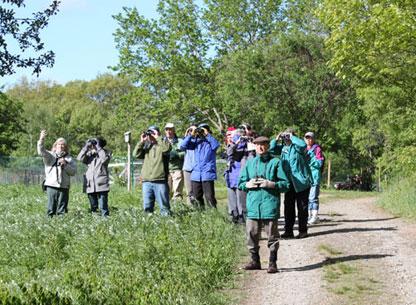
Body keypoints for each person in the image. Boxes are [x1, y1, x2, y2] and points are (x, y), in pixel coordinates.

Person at [238, 136, 290, 273]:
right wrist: (247, 184)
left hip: (270, 205)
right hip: (253, 205)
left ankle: (272, 262)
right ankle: (255, 260)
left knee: (272, 235)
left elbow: (285, 185)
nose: (260, 147)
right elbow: (240, 183)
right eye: (258, 145)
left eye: (263, 145)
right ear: (254, 147)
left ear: (268, 146)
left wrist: (272, 184)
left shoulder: (276, 162)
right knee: (251, 234)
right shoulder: (250, 163)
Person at [269, 129, 312, 239]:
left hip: (301, 182)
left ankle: (303, 230)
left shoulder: (297, 147)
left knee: (302, 207)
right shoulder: (283, 148)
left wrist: (292, 137)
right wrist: (276, 139)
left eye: (287, 134)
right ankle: (288, 231)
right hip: (289, 182)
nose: (286, 137)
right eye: (285, 134)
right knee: (288, 208)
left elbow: (303, 144)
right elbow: (271, 149)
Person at [133, 126, 172, 216]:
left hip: (160, 180)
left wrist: (158, 137)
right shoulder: (147, 147)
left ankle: (168, 224)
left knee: (164, 207)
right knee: (147, 206)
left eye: (153, 133)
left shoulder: (163, 145)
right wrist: (141, 142)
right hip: (147, 181)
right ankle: (149, 223)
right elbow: (135, 155)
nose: (151, 135)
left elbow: (166, 149)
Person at [37, 130, 77, 218]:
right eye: (59, 144)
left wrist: (65, 165)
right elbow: (41, 152)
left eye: (63, 145)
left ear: (65, 147)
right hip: (51, 185)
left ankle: (61, 227)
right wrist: (41, 139)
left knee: (62, 210)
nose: (61, 146)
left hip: (64, 186)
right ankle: (49, 226)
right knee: (51, 209)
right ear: (55, 146)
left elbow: (73, 172)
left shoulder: (69, 159)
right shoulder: (50, 156)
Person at [180, 123, 220, 208]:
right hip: (196, 174)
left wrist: (207, 135)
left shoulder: (211, 143)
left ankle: (212, 215)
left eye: (204, 130)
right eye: (201, 130)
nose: (202, 132)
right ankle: (200, 215)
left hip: (207, 173)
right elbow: (182, 146)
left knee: (209, 197)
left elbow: (216, 145)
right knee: (196, 197)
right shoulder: (195, 143)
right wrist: (191, 135)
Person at [77, 136, 112, 217]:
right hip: (90, 184)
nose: (94, 145)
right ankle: (95, 219)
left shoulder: (106, 152)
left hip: (101, 183)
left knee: (103, 205)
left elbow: (104, 159)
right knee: (93, 205)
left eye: (95, 143)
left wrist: (99, 148)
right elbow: (79, 158)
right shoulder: (90, 154)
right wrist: (86, 147)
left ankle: (105, 219)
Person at [224, 128, 244, 223]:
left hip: (238, 177)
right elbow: (229, 152)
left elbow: (232, 152)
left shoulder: (244, 146)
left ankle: (241, 218)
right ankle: (234, 216)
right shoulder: (231, 146)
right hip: (230, 178)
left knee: (240, 200)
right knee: (232, 200)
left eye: (232, 136)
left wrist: (237, 141)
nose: (230, 138)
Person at [304, 132, 324, 224]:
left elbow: (319, 163)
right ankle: (308, 216)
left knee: (313, 198)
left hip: (314, 176)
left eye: (311, 138)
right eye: (307, 138)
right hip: (306, 177)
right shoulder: (303, 149)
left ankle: (315, 216)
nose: (309, 140)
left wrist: (311, 160)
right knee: (307, 197)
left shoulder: (317, 149)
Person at [164, 123, 185, 201]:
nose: (168, 132)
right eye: (167, 130)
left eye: (170, 129)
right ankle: (167, 209)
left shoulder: (180, 141)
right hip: (166, 170)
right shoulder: (162, 142)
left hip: (177, 169)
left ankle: (178, 209)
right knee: (166, 192)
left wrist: (177, 155)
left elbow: (186, 153)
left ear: (174, 130)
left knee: (178, 193)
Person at [182, 123, 198, 205]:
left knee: (197, 190)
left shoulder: (199, 140)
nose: (193, 132)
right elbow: (181, 146)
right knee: (189, 191)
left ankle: (198, 207)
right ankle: (190, 207)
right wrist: (187, 135)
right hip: (188, 168)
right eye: (192, 130)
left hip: (197, 168)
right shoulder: (187, 140)